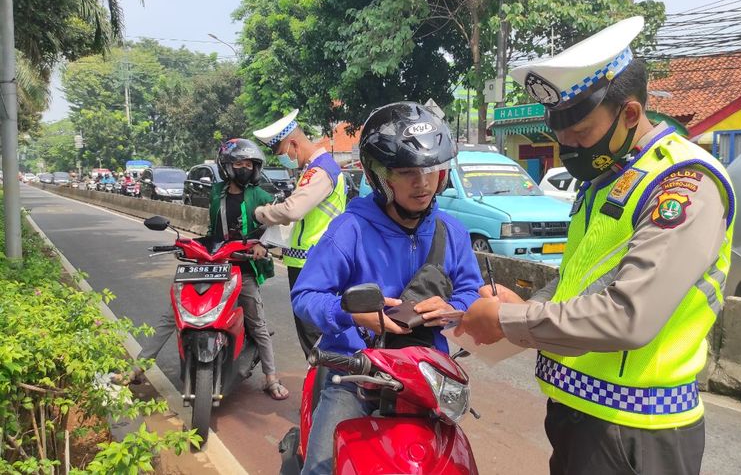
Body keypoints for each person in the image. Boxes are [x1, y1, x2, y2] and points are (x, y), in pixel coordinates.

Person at [456, 16, 736, 475]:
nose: (570, 150)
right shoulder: (607, 178)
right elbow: (581, 280)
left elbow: (630, 315)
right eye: (561, 139)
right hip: (580, 415)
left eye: (581, 136)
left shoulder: (682, 183)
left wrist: (509, 320)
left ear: (629, 114)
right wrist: (526, 302)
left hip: (638, 430)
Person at [292, 102, 484, 474]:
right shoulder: (350, 229)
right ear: (381, 176)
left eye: (430, 170)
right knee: (320, 467)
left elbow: (470, 291)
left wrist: (454, 309)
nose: (423, 182)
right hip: (354, 372)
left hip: (426, 374)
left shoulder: (452, 231)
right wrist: (349, 314)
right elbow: (305, 296)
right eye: (407, 171)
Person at [135, 138, 289, 400]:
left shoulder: (260, 194)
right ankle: (137, 367)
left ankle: (271, 378)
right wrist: (199, 245)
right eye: (239, 163)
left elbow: (280, 221)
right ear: (227, 166)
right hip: (213, 265)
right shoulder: (216, 192)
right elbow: (212, 230)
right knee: (174, 313)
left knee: (257, 323)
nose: (244, 168)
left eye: (249, 164)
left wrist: (263, 244)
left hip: (244, 267)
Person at [252, 109, 347, 358]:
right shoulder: (312, 170)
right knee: (313, 338)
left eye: (281, 152)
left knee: (317, 341)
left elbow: (293, 211)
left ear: (293, 143)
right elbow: (301, 222)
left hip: (315, 264)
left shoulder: (321, 170)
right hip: (307, 263)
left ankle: (322, 393)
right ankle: (319, 389)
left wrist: (262, 213)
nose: (283, 158)